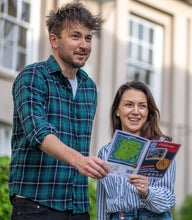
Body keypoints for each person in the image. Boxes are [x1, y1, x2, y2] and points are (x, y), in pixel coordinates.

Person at [9, 3, 109, 220]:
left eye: (88, 38)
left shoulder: (89, 87)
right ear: (54, 40)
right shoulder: (33, 76)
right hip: (36, 204)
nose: (84, 45)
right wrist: (79, 160)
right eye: (75, 36)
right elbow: (37, 132)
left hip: (78, 207)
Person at [97, 81, 176, 220]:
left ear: (148, 112)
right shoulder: (105, 152)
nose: (135, 111)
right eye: (129, 105)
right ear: (117, 111)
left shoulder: (162, 148)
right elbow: (102, 204)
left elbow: (168, 200)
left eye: (142, 106)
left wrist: (148, 192)